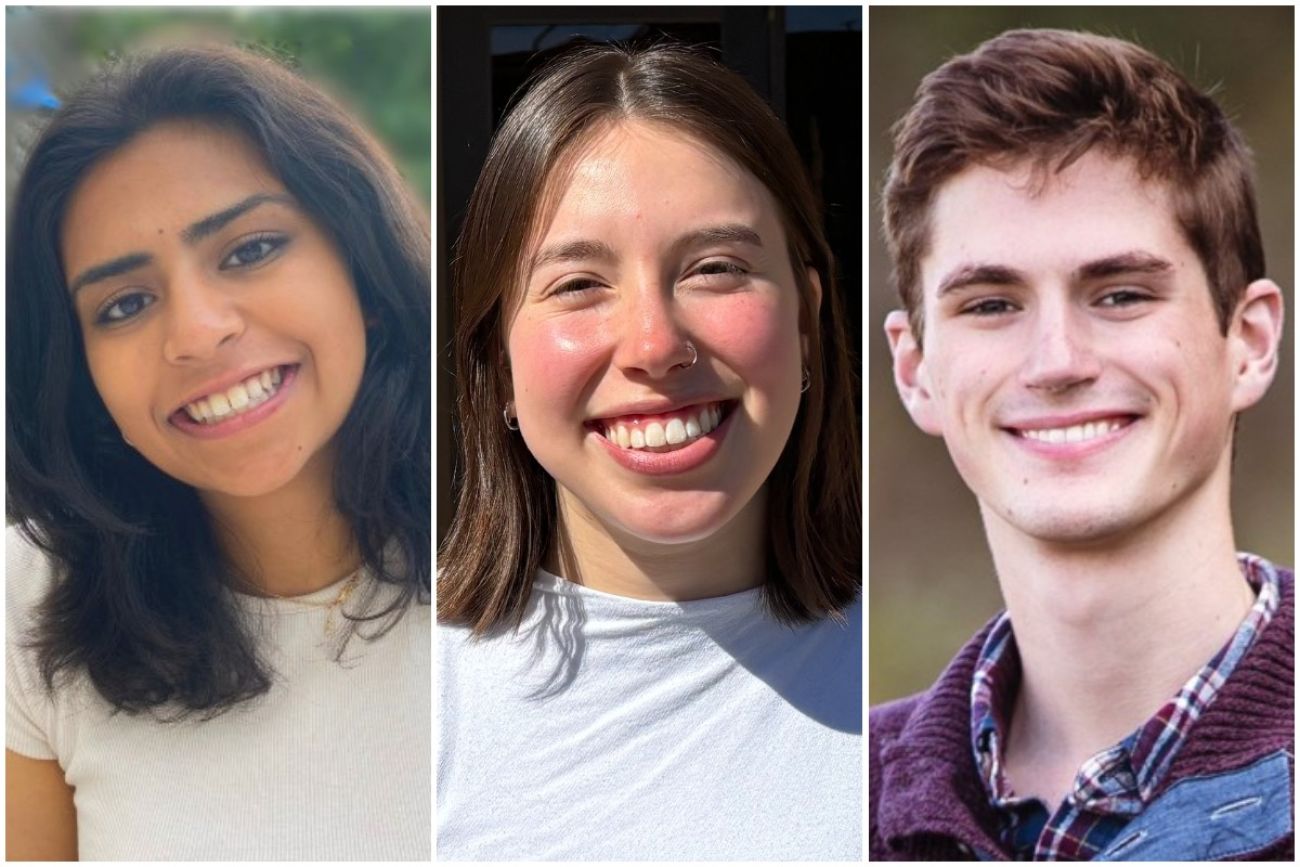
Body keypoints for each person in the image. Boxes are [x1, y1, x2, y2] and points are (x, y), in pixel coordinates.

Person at [873, 28, 1291, 861]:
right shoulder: (824, 799)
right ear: (916, 371)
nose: (1057, 362)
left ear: (1247, 341)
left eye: (1122, 293)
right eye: (992, 304)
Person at [437, 42, 861, 860]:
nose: (655, 344)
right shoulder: (410, 707)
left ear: (806, 324)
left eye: (715, 267)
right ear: (497, 366)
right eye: (578, 285)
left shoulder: (936, 702)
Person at [6, 45, 431, 861]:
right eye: (125, 303)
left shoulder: (504, 557)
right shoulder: (27, 604)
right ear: (84, 378)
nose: (199, 332)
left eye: (249, 249)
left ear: (363, 271)